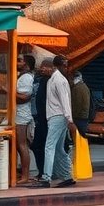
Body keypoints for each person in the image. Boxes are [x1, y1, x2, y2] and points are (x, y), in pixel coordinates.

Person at [31, 55, 75, 188]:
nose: (42, 69)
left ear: (52, 67)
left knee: (49, 147)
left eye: (44, 67)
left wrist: (69, 119)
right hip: (57, 117)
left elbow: (64, 100)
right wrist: (68, 119)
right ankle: (68, 176)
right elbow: (62, 100)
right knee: (58, 149)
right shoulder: (54, 79)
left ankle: (46, 177)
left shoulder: (58, 80)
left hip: (57, 117)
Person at [14, 54, 36, 184]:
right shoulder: (21, 76)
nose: (17, 62)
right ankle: (19, 172)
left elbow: (24, 97)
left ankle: (25, 175)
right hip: (19, 113)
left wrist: (9, 90)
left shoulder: (26, 77)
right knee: (17, 145)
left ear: (26, 64)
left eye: (19, 60)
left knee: (22, 145)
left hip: (22, 115)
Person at [71, 71, 91, 137]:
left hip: (79, 116)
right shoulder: (82, 86)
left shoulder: (78, 88)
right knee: (81, 135)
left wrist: (73, 115)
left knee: (79, 136)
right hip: (83, 116)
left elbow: (78, 103)